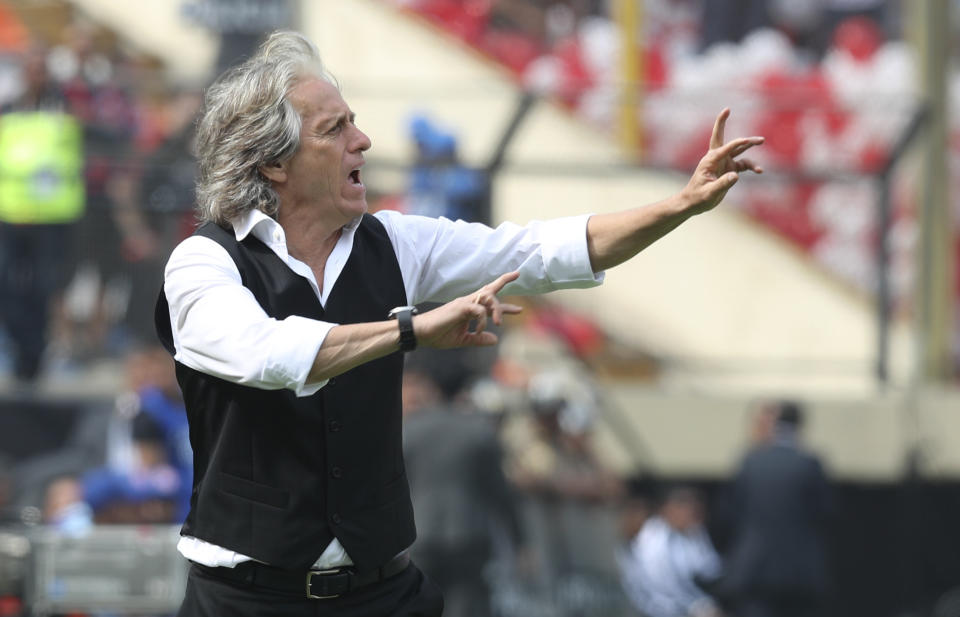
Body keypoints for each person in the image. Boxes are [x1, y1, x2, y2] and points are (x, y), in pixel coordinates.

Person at [154, 30, 762, 617]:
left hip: (381, 594)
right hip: (243, 602)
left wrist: (678, 204)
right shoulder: (203, 260)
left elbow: (542, 252)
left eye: (353, 121)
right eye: (334, 129)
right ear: (274, 164)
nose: (362, 140)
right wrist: (412, 329)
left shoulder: (393, 242)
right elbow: (269, 355)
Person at [402, 356, 525, 617]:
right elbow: (501, 492)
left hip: (420, 535)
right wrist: (520, 541)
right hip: (469, 535)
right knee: (467, 607)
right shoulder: (480, 431)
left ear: (432, 386)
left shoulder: (410, 429)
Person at [719, 400, 831, 617]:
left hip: (755, 570)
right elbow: (825, 511)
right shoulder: (809, 463)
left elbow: (730, 512)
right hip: (800, 572)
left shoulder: (750, 462)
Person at [617, 486, 725, 617]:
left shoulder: (694, 533)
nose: (692, 514)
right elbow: (665, 589)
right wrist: (700, 607)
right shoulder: (653, 540)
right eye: (685, 508)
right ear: (668, 508)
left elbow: (711, 569)